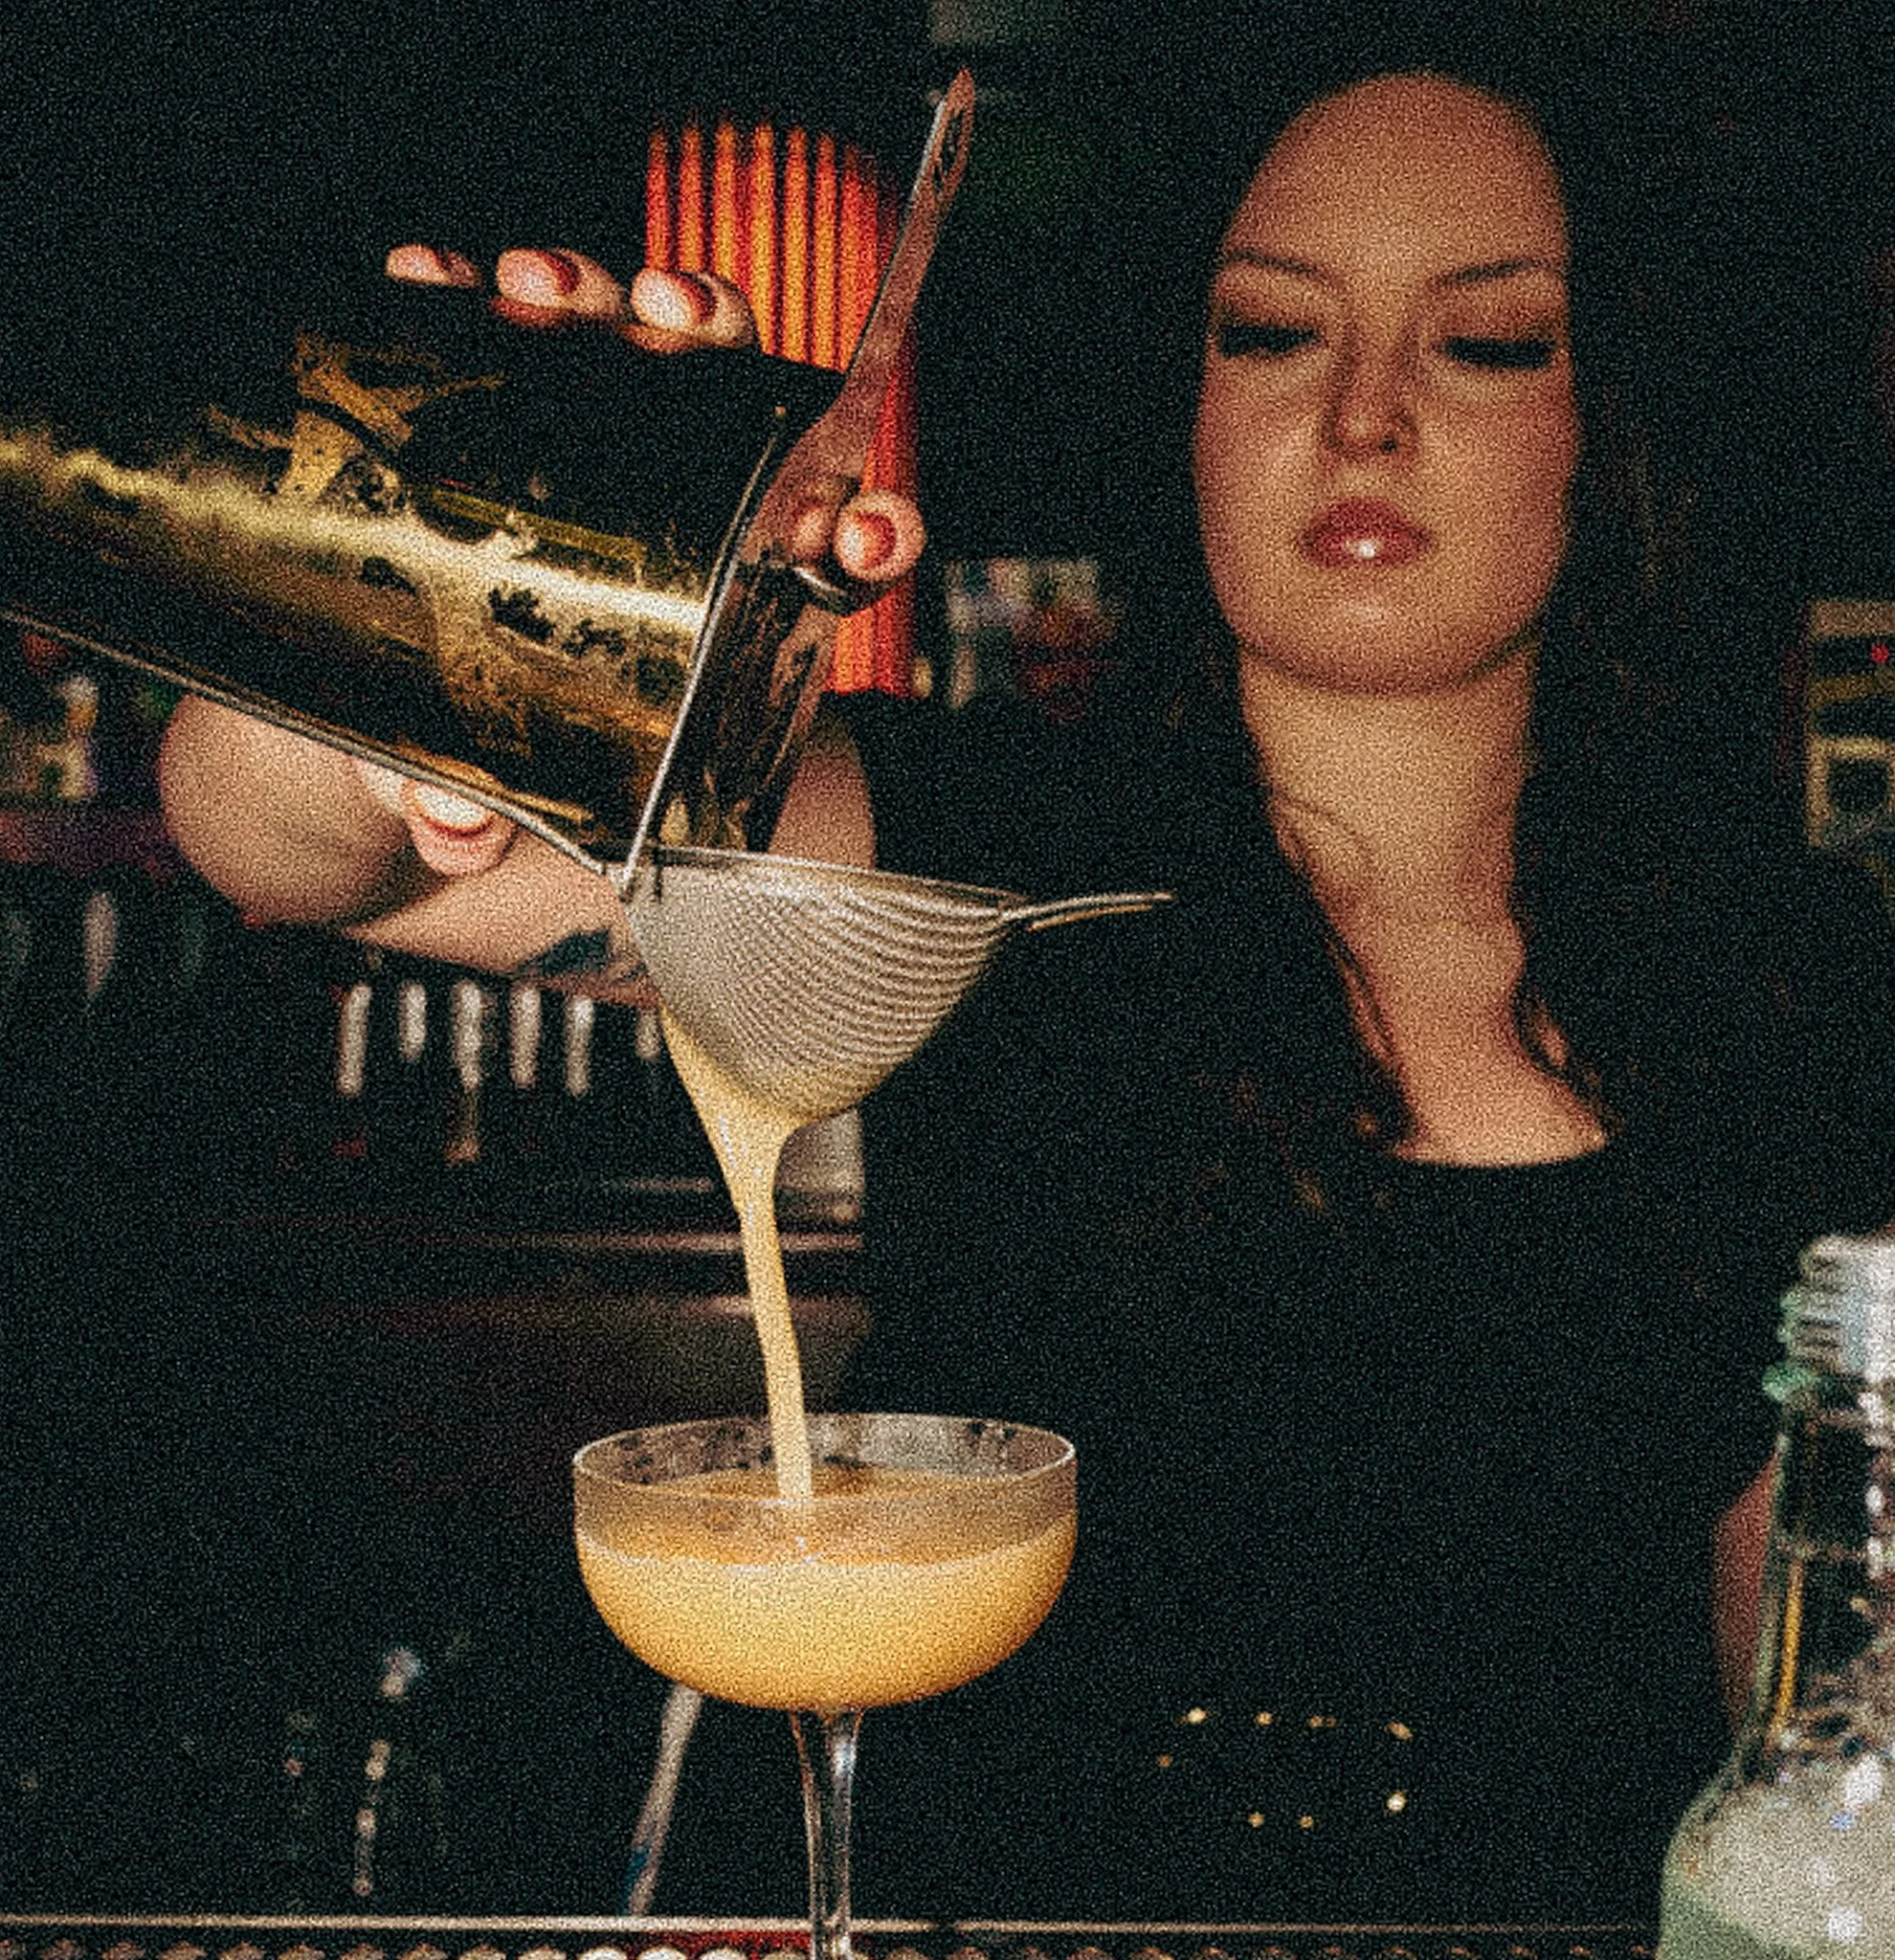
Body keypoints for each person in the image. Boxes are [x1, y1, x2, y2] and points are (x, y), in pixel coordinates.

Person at [152, 44, 1895, 1925]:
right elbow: (307, 854)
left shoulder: (1794, 989)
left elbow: (1817, 1707)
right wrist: (414, 595)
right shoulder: (988, 846)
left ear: (1605, 424)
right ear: (1187, 412)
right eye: (1271, 333)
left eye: (1485, 345)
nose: (1364, 417)